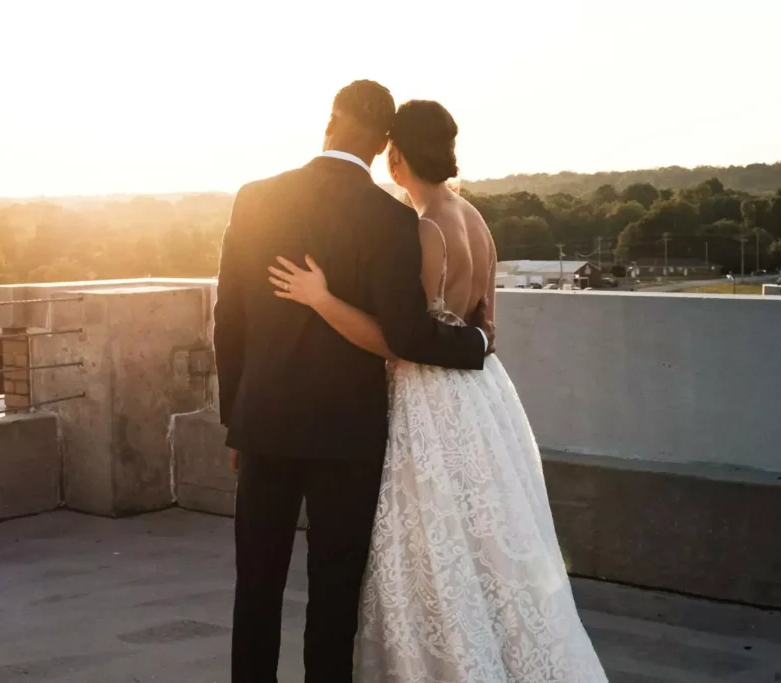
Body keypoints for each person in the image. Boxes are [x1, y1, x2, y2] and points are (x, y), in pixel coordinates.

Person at [268, 100, 608, 682]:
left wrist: (320, 298)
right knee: (484, 541)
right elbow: (486, 327)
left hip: (425, 395)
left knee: (427, 539)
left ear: (396, 154)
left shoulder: (423, 228)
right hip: (481, 397)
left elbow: (402, 339)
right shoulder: (474, 219)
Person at [214, 81, 492, 683]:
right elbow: (407, 335)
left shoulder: (255, 197)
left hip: (263, 424)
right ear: (381, 143)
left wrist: (235, 420)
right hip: (348, 436)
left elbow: (227, 318)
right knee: (334, 595)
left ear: (331, 120)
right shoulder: (390, 217)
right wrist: (476, 343)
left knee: (256, 588)